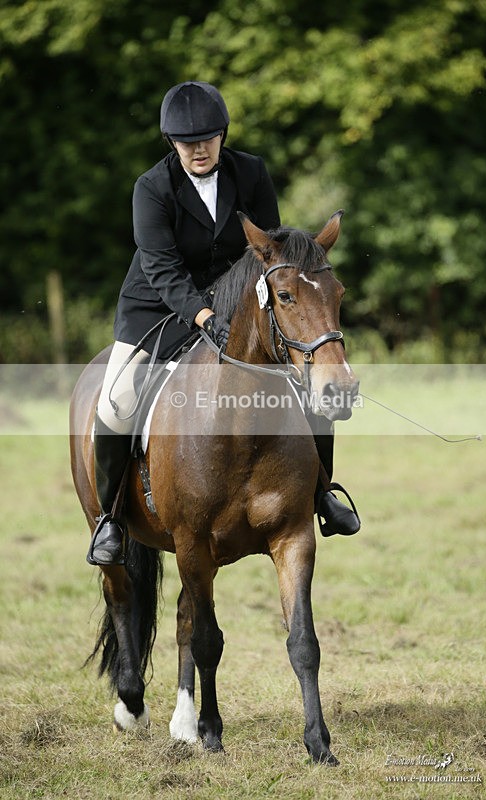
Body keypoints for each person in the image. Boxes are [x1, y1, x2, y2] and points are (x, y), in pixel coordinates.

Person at [87, 80, 360, 566]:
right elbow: (161, 268)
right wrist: (202, 313)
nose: (198, 148)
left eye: (208, 138)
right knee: (116, 402)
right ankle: (111, 517)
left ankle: (321, 493)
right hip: (159, 311)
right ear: (171, 142)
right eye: (187, 142)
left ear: (222, 134)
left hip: (237, 310)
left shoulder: (250, 172)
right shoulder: (151, 188)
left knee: (308, 383)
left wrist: (242, 308)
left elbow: (271, 250)